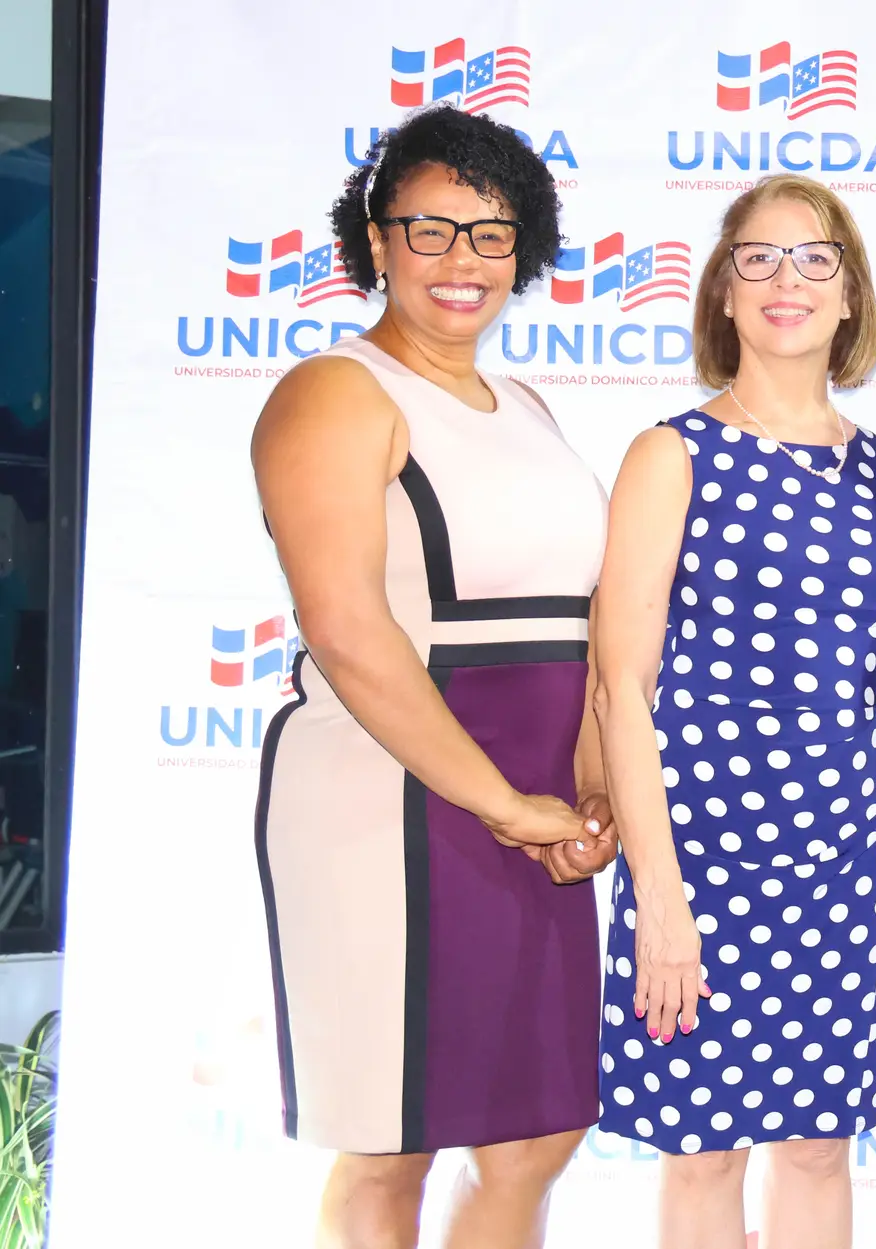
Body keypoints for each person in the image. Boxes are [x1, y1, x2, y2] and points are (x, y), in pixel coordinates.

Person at [252, 104, 617, 1249]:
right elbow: (345, 625)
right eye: (431, 228)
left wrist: (589, 793)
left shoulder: (531, 408)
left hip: (534, 809)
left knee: (537, 1129)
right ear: (375, 240)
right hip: (392, 802)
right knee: (391, 1140)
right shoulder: (334, 391)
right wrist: (501, 802)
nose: (463, 259)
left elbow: (585, 626)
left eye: (492, 233)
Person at [592, 174, 876, 1249]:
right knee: (703, 1152)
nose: (788, 279)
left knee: (820, 1147)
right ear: (724, 294)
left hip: (847, 865)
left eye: (816, 258)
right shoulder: (672, 455)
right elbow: (621, 690)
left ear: (850, 295)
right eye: (760, 258)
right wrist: (660, 898)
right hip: (699, 866)